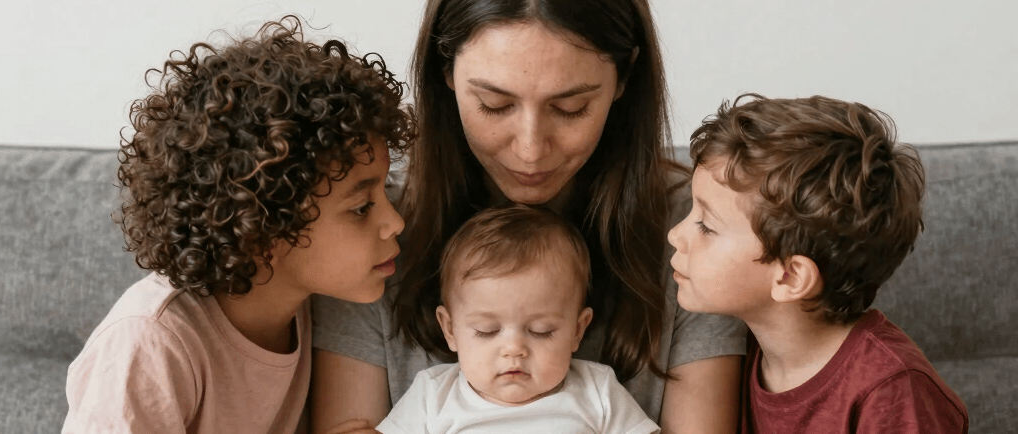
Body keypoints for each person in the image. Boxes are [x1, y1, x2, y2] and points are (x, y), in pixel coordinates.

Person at [311, 0, 747, 433]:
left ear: (624, 77)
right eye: (494, 104)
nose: (530, 150)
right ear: (445, 73)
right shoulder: (369, 231)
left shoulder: (700, 231)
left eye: (571, 107)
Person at [62, 16, 413, 434]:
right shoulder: (151, 344)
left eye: (384, 193)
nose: (395, 221)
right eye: (360, 207)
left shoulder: (306, 310)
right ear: (261, 228)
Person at [666, 94, 969, 433]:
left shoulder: (892, 391)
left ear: (791, 277)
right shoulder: (741, 357)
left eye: (706, 225)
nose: (675, 235)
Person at [376, 204, 660, 434]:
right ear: (450, 329)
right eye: (487, 330)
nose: (514, 348)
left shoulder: (596, 390)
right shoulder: (433, 394)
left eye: (541, 330)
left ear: (577, 330)